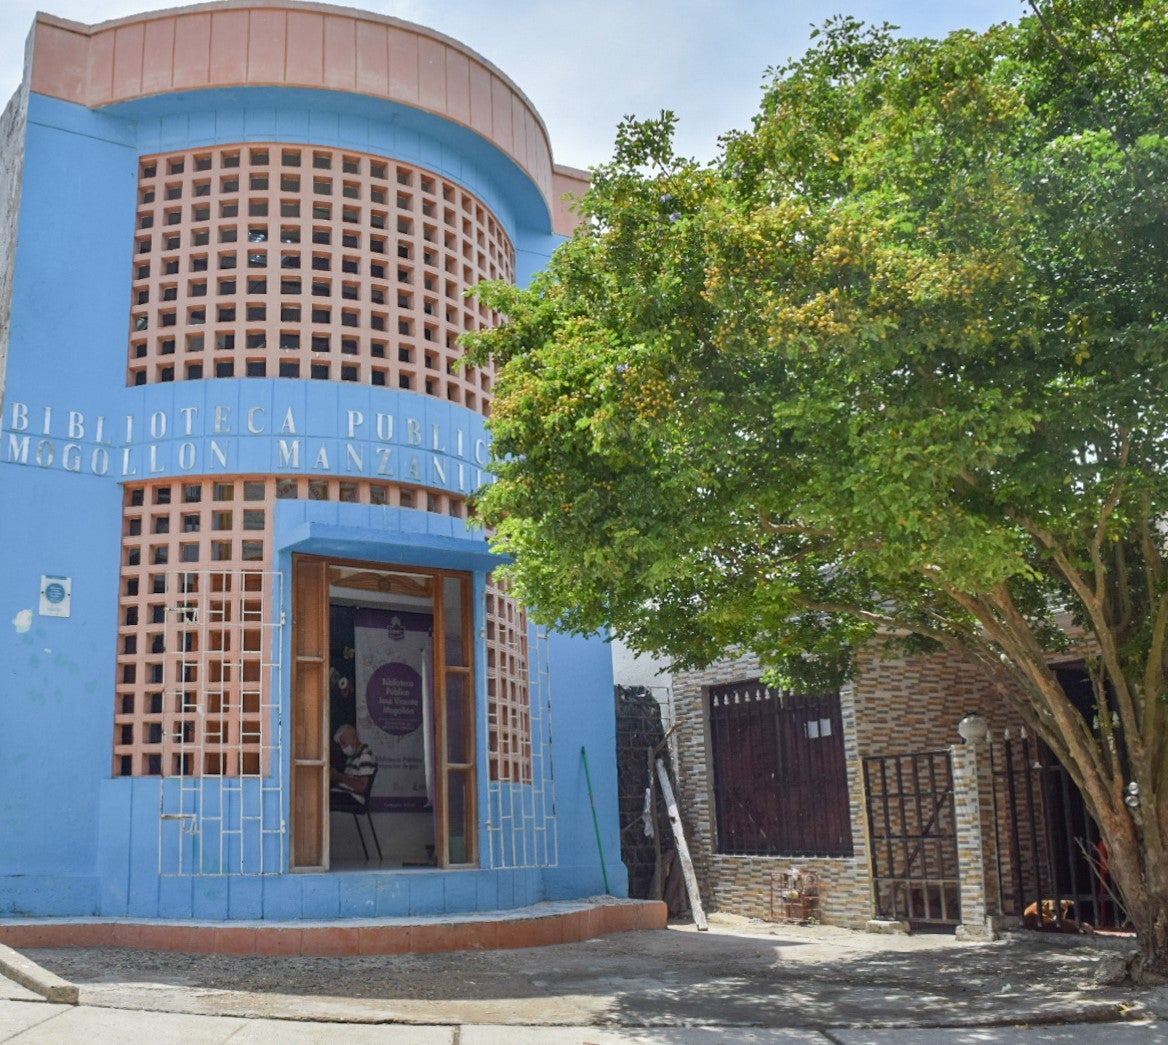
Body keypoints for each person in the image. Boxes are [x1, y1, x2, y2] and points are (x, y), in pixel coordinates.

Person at [330, 724, 376, 804]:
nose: (342, 748)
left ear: (354, 738)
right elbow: (348, 780)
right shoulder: (351, 757)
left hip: (355, 798)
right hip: (346, 794)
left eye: (344, 743)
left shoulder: (365, 755)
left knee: (321, 797)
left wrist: (339, 776)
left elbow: (362, 787)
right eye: (341, 745)